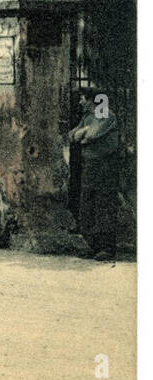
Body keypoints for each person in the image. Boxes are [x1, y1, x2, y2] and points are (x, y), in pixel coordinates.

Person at [68, 86, 122, 260]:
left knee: (104, 202)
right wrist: (82, 134)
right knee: (88, 202)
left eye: (83, 98)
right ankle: (92, 245)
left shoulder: (106, 115)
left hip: (105, 165)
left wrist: (83, 134)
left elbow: (91, 134)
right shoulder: (88, 117)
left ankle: (106, 247)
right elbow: (72, 136)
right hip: (90, 165)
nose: (80, 101)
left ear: (92, 100)